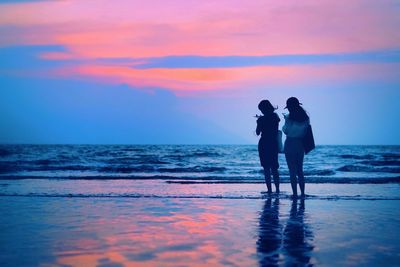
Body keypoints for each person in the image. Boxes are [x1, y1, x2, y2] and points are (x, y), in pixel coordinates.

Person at [282, 97, 310, 198]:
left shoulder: (289, 117)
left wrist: (285, 121)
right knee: (300, 170)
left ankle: (294, 194)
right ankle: (302, 193)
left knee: (292, 171)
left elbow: (286, 131)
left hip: (290, 143)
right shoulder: (306, 117)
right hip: (300, 144)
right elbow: (305, 130)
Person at [256, 100, 280, 194]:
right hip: (273, 143)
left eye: (261, 109)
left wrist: (258, 122)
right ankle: (277, 189)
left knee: (266, 168)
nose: (261, 111)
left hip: (264, 143)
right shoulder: (275, 117)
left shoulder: (261, 120)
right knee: (274, 167)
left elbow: (258, 132)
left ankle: (269, 190)